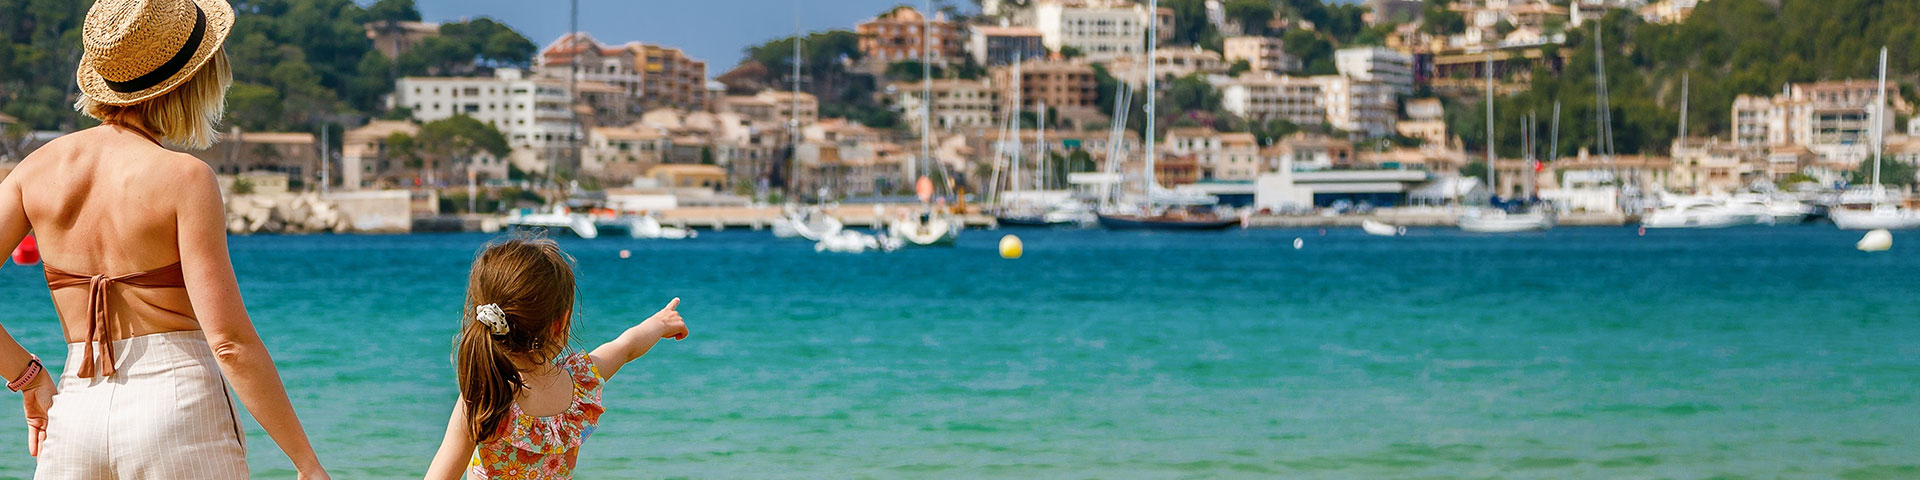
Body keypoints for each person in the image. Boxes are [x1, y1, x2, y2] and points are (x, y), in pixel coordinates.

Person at [0, 0, 328, 478]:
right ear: (191, 82)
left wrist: (26, 375)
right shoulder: (185, 178)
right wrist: (306, 462)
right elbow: (230, 343)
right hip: (178, 406)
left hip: (74, 415)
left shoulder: (34, 171)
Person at [424, 237, 690, 479]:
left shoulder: (487, 396)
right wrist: (660, 323)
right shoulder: (580, 381)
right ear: (559, 323)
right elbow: (625, 347)